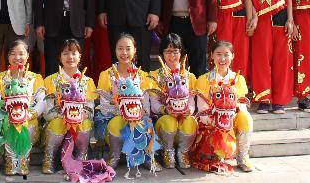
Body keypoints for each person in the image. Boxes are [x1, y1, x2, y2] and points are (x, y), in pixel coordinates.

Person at [244, 0, 293, 114]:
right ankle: (263, 99)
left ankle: (279, 100)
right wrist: (253, 17)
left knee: (282, 60)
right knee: (261, 60)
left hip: (281, 16)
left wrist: (291, 20)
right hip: (261, 18)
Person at [190, 41, 253, 173]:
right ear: (212, 55)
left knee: (246, 117)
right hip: (211, 123)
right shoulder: (203, 79)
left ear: (233, 56)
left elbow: (241, 106)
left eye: (226, 54)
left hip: (231, 120)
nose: (222, 59)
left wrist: (228, 119)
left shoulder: (238, 79)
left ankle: (242, 156)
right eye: (218, 54)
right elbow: (202, 110)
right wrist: (218, 121)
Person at [96, 34, 156, 170]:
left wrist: (139, 113)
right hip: (113, 118)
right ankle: (114, 156)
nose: (124, 53)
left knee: (143, 120)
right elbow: (104, 107)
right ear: (115, 50)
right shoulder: (106, 75)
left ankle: (146, 156)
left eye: (128, 49)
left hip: (137, 117)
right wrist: (124, 112)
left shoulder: (142, 76)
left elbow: (146, 105)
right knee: (117, 122)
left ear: (135, 50)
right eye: (120, 48)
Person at [0, 40, 46, 176]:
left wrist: (31, 114)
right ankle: (10, 159)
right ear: (7, 56)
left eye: (21, 54)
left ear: (27, 56)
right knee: (9, 122)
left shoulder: (35, 78)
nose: (17, 57)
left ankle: (23, 159)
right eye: (12, 54)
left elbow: (42, 101)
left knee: (27, 125)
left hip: (28, 117)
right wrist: (8, 112)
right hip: (6, 116)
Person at [40, 39, 98, 174]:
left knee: (85, 122)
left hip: (79, 121)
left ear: (80, 56)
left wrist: (80, 115)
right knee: (57, 123)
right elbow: (46, 112)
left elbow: (90, 110)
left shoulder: (88, 81)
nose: (70, 57)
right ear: (60, 57)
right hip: (58, 120)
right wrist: (64, 115)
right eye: (65, 53)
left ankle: (81, 157)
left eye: (73, 53)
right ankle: (49, 158)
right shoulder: (50, 80)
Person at [150, 34, 197, 169]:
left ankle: (183, 153)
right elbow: (154, 104)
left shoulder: (189, 76)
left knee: (190, 121)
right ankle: (167, 152)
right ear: (162, 54)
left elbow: (191, 100)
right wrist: (165, 110)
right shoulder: (154, 76)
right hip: (164, 124)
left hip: (182, 122)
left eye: (175, 51)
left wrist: (190, 110)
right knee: (168, 120)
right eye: (168, 51)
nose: (172, 56)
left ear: (181, 53)